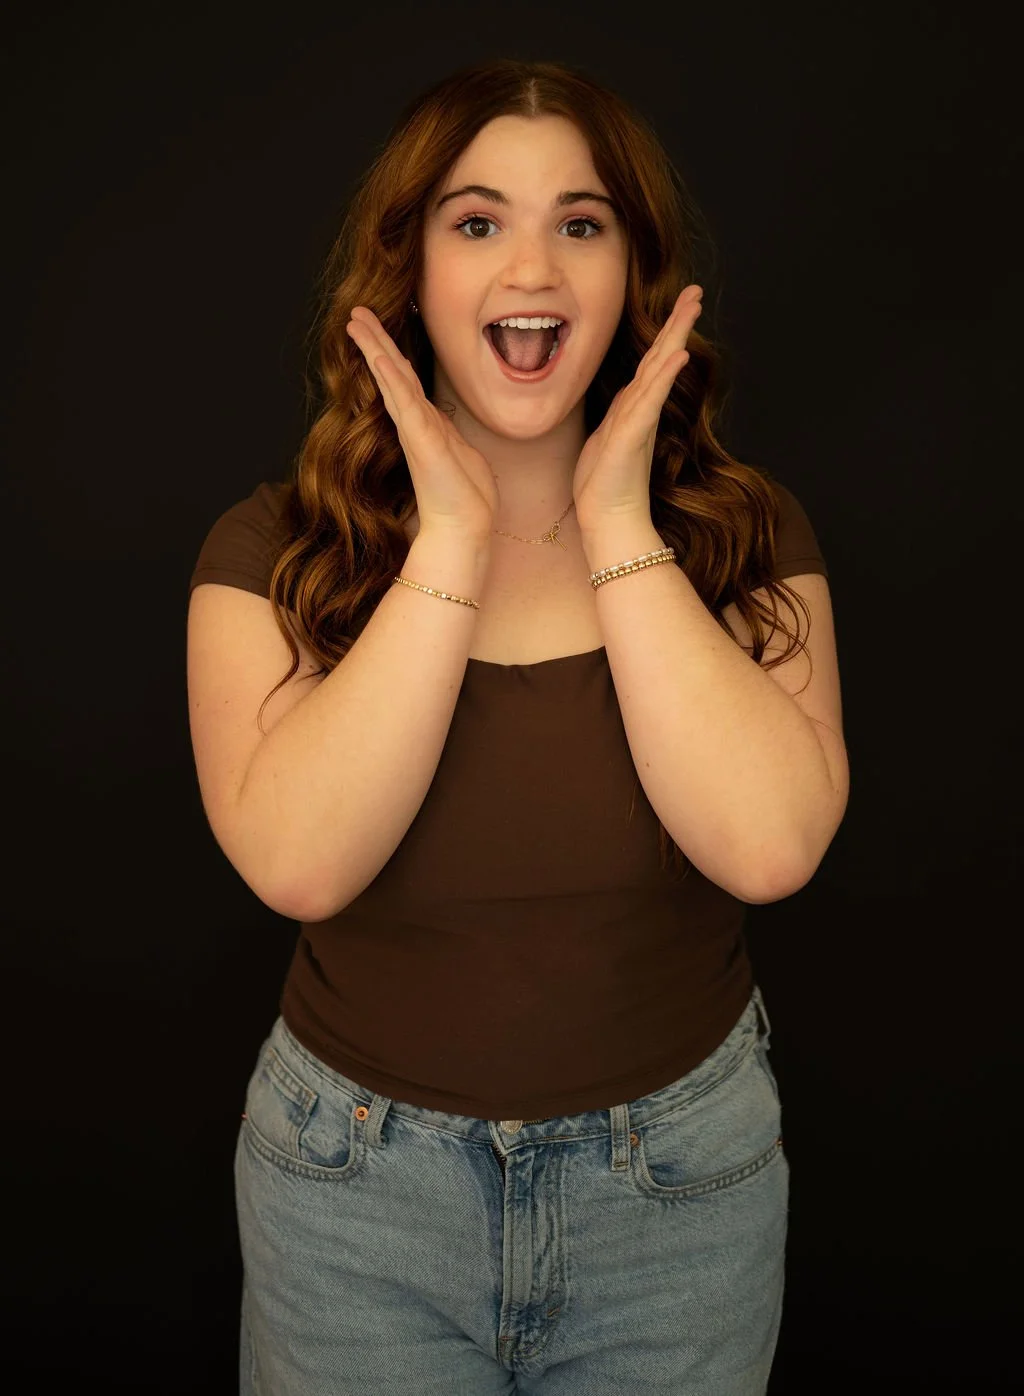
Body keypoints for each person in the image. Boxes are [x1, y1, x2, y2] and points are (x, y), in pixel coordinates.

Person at [186, 57, 848, 1396]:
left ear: (632, 274)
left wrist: (614, 524)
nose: (532, 266)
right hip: (355, 1200)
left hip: (679, 1201)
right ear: (412, 272)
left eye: (581, 223)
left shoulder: (741, 535)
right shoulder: (272, 552)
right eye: (478, 221)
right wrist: (453, 540)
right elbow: (300, 864)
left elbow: (771, 847)